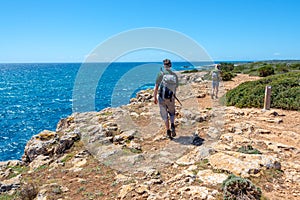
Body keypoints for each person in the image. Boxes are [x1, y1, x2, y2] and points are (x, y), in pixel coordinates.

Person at [154, 59, 179, 139]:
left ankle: (168, 131)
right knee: (172, 113)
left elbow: (156, 87)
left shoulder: (161, 73)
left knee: (164, 115)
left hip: (162, 98)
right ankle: (172, 124)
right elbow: (176, 87)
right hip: (171, 98)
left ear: (164, 66)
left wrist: (155, 97)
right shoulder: (174, 75)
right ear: (170, 65)